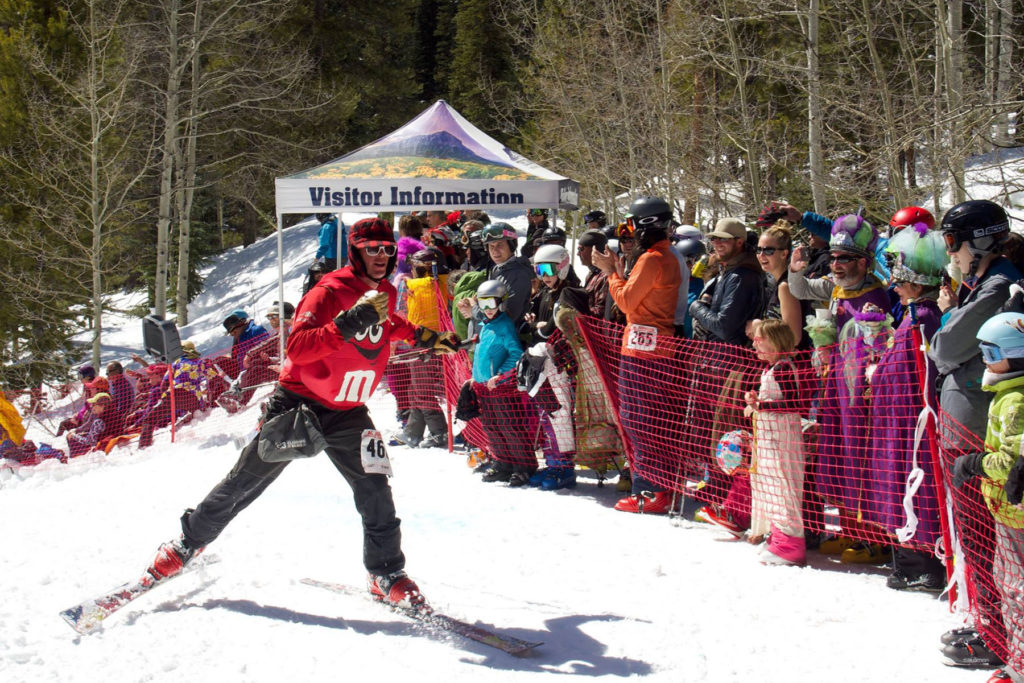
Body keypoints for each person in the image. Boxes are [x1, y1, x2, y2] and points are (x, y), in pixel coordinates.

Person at [142, 217, 459, 611]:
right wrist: (350, 321)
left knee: (376, 489)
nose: (382, 256)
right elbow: (299, 348)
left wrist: (427, 337)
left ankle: (386, 573)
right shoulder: (328, 291)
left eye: (387, 248)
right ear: (355, 252)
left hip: (348, 409)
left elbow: (388, 324)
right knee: (247, 480)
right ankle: (187, 543)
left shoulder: (384, 293)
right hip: (300, 402)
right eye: (372, 249)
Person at [929, 200, 1018, 666]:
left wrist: (946, 315)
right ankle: (990, 622)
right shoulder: (983, 283)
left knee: (985, 535)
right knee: (977, 534)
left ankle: (998, 633)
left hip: (980, 433)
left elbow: (945, 346)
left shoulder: (998, 287)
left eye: (952, 242)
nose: (952, 253)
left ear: (978, 241)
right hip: (971, 426)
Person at [864, 223, 948, 592]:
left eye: (899, 280)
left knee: (910, 484)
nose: (894, 287)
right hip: (907, 420)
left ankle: (919, 562)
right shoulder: (917, 316)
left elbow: (901, 375)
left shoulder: (920, 318)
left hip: (908, 424)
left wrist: (875, 370)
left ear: (914, 283)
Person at [591, 196, 681, 514]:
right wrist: (618, 270)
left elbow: (627, 303)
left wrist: (610, 273)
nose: (628, 233)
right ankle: (660, 489)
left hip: (644, 352)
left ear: (645, 225)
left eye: (630, 225)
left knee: (638, 420)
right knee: (651, 419)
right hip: (657, 349)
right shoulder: (666, 257)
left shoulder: (653, 258)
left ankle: (649, 492)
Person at [951, 311, 1024, 683]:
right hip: (1008, 511)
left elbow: (1012, 461)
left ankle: (1020, 666)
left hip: (1016, 512)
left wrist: (976, 463)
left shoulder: (1014, 401)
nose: (984, 359)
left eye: (991, 353)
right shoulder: (1008, 394)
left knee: (1014, 587)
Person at [743, 319, 807, 566]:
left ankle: (790, 544)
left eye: (761, 340)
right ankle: (777, 537)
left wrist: (762, 405)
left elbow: (793, 404)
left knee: (783, 486)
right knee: (772, 486)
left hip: (783, 438)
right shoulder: (770, 369)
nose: (755, 344)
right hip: (770, 436)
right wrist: (757, 399)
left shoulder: (783, 368)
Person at [522, 245, 578, 490]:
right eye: (539, 269)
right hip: (544, 362)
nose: (544, 276)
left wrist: (540, 328)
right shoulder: (547, 292)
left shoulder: (569, 292)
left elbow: (554, 328)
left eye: (548, 269)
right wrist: (536, 325)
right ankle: (552, 461)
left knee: (559, 413)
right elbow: (542, 326)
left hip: (561, 364)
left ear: (563, 266)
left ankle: (564, 467)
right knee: (547, 414)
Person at [468, 279, 533, 485]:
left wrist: (501, 375)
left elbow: (516, 354)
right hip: (484, 387)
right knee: (492, 426)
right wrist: (476, 377)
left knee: (509, 425)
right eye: (483, 304)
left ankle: (523, 466)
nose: (487, 310)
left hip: (501, 388)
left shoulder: (504, 326)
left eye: (491, 304)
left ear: (502, 303)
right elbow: (481, 355)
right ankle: (502, 463)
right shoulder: (485, 326)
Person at [391, 248, 450, 449]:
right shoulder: (440, 283)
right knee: (416, 387)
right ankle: (413, 432)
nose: (412, 271)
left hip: (423, 343)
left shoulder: (420, 285)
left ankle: (439, 431)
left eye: (415, 267)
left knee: (422, 388)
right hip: (430, 341)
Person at [689, 217, 765, 347]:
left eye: (724, 238)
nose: (717, 243)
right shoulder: (729, 270)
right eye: (714, 238)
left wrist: (696, 307)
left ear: (740, 242)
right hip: (720, 356)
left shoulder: (741, 276)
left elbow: (723, 327)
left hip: (731, 359)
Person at [137, 341, 220, 448]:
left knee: (150, 419)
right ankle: (197, 429)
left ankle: (143, 446)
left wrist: (163, 398)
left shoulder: (176, 362)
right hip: (193, 399)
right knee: (197, 415)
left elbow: (165, 382)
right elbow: (215, 377)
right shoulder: (200, 363)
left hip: (174, 396)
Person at [480, 221, 534, 326]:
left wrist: (474, 309)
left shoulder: (518, 275)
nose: (495, 251)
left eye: (500, 245)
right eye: (491, 246)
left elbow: (510, 313)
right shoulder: (497, 269)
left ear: (512, 246)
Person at [66, 392, 113, 457]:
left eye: (94, 404)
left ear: (102, 406)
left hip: (94, 448)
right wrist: (76, 431)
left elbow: (89, 442)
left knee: (71, 439)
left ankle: (74, 459)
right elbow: (89, 424)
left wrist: (73, 435)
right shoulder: (110, 413)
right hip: (99, 440)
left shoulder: (98, 422)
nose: (91, 406)